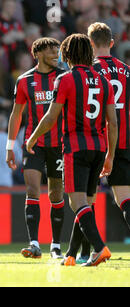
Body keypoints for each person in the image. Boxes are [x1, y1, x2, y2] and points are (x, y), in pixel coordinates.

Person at [26, 34, 118, 267]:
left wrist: (33, 138)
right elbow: (113, 123)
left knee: (77, 204)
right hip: (99, 147)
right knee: (86, 202)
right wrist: (110, 155)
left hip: (76, 148)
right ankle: (70, 254)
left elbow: (50, 117)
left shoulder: (65, 79)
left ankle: (99, 248)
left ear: (68, 54)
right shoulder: (103, 81)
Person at [67, 22, 130, 264]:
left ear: (89, 44)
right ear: (112, 43)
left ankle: (88, 251)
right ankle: (74, 254)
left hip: (95, 141)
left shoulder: (88, 71)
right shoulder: (127, 70)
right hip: (125, 140)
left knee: (83, 198)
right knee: (121, 199)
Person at [6, 37, 66, 259]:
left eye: (57, 51)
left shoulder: (63, 77)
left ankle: (56, 245)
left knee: (55, 194)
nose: (56, 55)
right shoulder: (24, 80)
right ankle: (34, 244)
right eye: (52, 51)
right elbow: (16, 114)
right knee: (32, 190)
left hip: (59, 145)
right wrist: (9, 146)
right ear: (38, 54)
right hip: (33, 144)